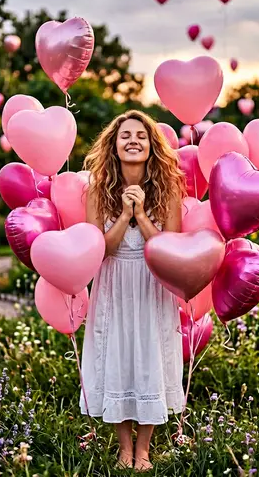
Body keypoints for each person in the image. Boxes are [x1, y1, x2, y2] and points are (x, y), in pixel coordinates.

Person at [80, 110, 186, 471]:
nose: (133, 141)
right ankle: (124, 449)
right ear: (114, 144)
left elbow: (168, 249)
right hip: (113, 285)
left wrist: (142, 214)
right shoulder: (96, 189)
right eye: (125, 135)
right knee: (117, 361)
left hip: (153, 283)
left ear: (152, 145)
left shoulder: (169, 189)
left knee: (150, 360)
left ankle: (144, 450)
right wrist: (124, 215)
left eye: (141, 135)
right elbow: (101, 249)